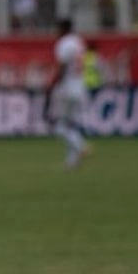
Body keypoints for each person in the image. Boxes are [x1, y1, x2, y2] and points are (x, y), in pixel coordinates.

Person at [45, 18, 90, 169]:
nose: (55, 32)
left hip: (67, 87)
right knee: (71, 125)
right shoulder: (78, 42)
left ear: (63, 29)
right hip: (80, 86)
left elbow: (62, 66)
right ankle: (72, 161)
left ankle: (81, 145)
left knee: (58, 126)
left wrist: (53, 83)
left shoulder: (64, 43)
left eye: (57, 29)